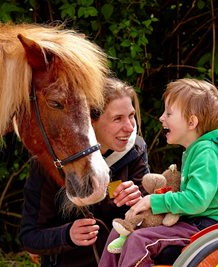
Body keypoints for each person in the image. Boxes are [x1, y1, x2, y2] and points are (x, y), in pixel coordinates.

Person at [99, 78, 218, 267]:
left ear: (191, 122)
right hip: (195, 222)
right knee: (119, 232)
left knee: (139, 241)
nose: (161, 118)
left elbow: (196, 201)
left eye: (168, 113)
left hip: (210, 227)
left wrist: (154, 200)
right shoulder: (196, 150)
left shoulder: (207, 153)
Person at [19, 77, 150, 267]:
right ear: (90, 121)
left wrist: (139, 199)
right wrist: (66, 235)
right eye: (117, 119)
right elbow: (30, 237)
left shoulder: (135, 149)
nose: (129, 128)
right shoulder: (49, 164)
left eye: (131, 116)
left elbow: (149, 221)